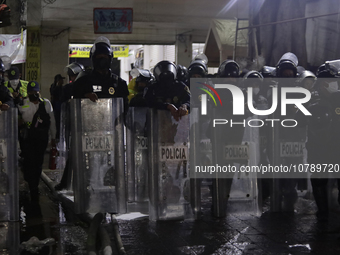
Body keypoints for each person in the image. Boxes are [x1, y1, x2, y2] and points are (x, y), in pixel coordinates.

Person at [55, 36, 129, 191]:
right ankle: (71, 184)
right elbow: (67, 93)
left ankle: (112, 190)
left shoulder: (118, 82)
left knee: (109, 163)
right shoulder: (85, 78)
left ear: (110, 59)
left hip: (110, 132)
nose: (102, 60)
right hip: (88, 131)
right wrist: (85, 95)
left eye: (105, 58)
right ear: (93, 59)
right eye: (98, 58)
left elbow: (125, 107)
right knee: (80, 158)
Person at [297, 60, 340, 220]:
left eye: (335, 81)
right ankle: (322, 214)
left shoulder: (338, 99)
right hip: (318, 149)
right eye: (330, 82)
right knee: (319, 181)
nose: (333, 84)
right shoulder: (311, 101)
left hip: (337, 149)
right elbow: (298, 120)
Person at [18, 81, 56, 203]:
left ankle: (34, 186)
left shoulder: (46, 103)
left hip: (41, 137)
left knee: (38, 161)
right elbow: (16, 118)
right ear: (28, 92)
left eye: (36, 91)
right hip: (28, 137)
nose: (34, 94)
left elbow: (52, 122)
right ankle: (31, 182)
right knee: (29, 161)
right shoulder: (23, 103)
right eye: (31, 92)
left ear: (39, 91)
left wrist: (53, 137)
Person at [50, 74, 65, 139]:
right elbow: (53, 93)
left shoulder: (63, 87)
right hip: (56, 106)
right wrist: (57, 86)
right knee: (57, 121)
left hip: (61, 105)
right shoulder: (54, 87)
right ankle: (57, 135)